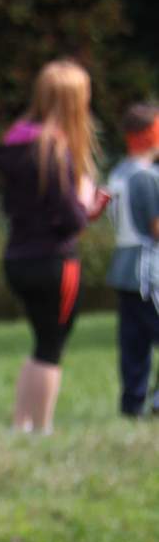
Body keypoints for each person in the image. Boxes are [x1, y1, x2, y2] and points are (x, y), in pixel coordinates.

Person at [0, 60, 108, 435]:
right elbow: (71, 219)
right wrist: (85, 204)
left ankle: (20, 425)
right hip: (54, 263)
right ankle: (42, 430)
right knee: (52, 347)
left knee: (41, 342)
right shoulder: (54, 150)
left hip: (17, 259)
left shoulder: (16, 142)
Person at [104, 102, 159, 418]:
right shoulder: (146, 176)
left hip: (123, 267)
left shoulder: (118, 172)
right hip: (147, 270)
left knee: (134, 342)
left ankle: (132, 404)